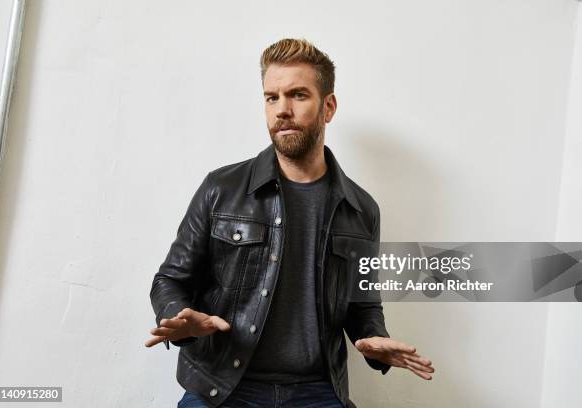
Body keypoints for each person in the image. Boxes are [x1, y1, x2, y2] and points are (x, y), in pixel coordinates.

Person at [145, 38, 434, 408]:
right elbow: (170, 279)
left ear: (328, 107)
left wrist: (374, 339)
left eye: (298, 95)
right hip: (224, 385)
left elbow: (363, 306)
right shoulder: (222, 189)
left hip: (317, 390)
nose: (282, 110)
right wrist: (177, 316)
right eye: (272, 97)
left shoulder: (361, 209)